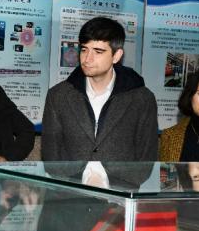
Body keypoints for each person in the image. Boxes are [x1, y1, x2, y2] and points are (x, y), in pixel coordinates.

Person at [41, 16, 157, 161]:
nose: (87, 59)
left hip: (120, 177)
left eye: (98, 51)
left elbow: (147, 159)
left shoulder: (142, 99)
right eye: (84, 50)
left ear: (116, 56)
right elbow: (51, 158)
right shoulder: (58, 96)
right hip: (72, 176)